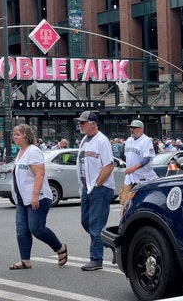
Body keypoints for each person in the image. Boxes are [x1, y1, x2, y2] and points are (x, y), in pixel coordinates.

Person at [9, 123, 68, 270]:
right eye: (14, 134)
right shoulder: (21, 152)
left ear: (26, 135)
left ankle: (60, 248)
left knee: (37, 229)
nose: (14, 136)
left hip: (38, 197)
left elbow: (39, 174)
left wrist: (35, 195)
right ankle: (25, 260)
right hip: (22, 199)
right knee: (22, 230)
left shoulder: (33, 151)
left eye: (18, 134)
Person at [74, 110, 115, 271]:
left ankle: (96, 259)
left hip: (100, 188)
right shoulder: (85, 139)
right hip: (87, 188)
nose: (80, 125)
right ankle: (111, 242)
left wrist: (98, 184)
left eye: (83, 122)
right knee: (86, 222)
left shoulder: (102, 140)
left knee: (96, 225)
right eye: (79, 122)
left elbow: (109, 165)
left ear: (93, 124)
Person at [121, 120, 157, 215]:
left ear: (141, 129)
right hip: (129, 179)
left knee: (144, 206)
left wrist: (133, 168)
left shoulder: (146, 140)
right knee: (124, 204)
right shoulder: (129, 140)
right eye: (131, 128)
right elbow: (125, 156)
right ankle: (122, 228)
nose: (131, 130)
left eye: (134, 128)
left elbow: (147, 159)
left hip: (144, 179)